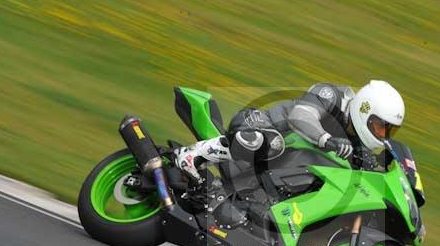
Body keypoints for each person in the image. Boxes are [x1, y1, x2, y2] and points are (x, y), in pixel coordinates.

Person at [174, 80, 421, 199]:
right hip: (259, 125)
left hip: (271, 171)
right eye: (379, 127)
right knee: (272, 143)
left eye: (388, 131)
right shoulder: (331, 95)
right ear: (364, 111)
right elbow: (300, 116)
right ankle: (192, 156)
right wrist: (327, 139)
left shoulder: (355, 142)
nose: (381, 134)